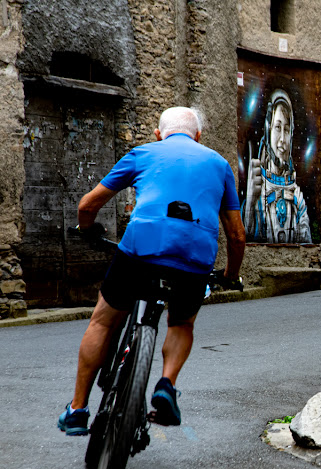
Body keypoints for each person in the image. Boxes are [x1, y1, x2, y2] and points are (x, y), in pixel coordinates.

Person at [58, 107, 246, 435]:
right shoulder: (220, 165)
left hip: (141, 249)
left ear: (159, 134)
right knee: (182, 322)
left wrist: (87, 230)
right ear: (198, 136)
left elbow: (87, 206)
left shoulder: (143, 152)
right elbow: (236, 234)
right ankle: (166, 385)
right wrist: (230, 275)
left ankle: (77, 409)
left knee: (103, 320)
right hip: (194, 257)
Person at [242, 89, 312, 243]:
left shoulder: (297, 197)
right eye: (278, 128)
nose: (282, 140)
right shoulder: (256, 189)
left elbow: (306, 244)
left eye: (286, 130)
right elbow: (244, 239)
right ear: (268, 130)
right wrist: (250, 201)